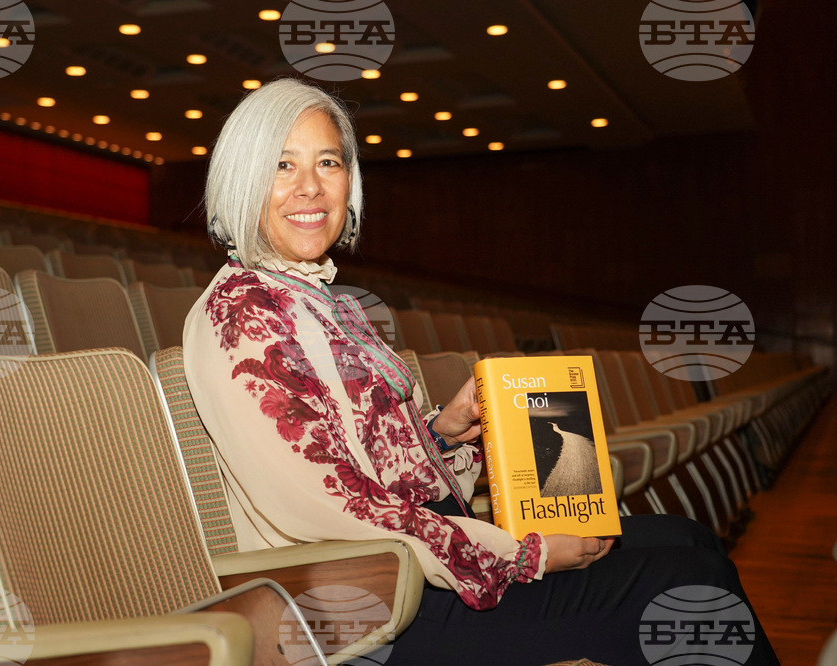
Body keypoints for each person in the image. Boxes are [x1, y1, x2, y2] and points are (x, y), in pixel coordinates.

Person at [183, 78, 778, 665]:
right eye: (283, 165)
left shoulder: (315, 299)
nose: (310, 187)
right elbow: (328, 502)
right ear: (243, 177)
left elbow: (371, 462)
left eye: (328, 163)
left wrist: (442, 430)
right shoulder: (243, 314)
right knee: (691, 585)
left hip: (415, 560)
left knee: (691, 541)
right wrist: (524, 554)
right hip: (370, 601)